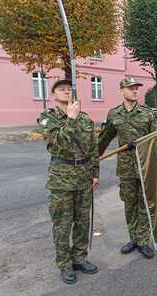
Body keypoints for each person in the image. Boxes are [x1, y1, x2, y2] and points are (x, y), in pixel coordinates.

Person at [38, 79, 99, 284]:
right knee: (62, 224)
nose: (66, 90)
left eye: (68, 88)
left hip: (83, 177)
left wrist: (95, 173)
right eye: (60, 89)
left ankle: (80, 258)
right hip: (61, 179)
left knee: (82, 222)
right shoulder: (48, 117)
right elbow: (58, 145)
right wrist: (71, 118)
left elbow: (93, 150)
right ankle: (64, 263)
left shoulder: (85, 119)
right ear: (53, 94)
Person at [98, 77, 157, 259]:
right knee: (129, 204)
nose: (135, 91)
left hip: (145, 165)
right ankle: (133, 238)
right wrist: (92, 158)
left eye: (136, 88)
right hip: (125, 168)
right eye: (131, 88)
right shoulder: (114, 114)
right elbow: (104, 139)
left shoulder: (148, 114)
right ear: (122, 91)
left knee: (144, 204)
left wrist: (142, 143)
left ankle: (143, 240)